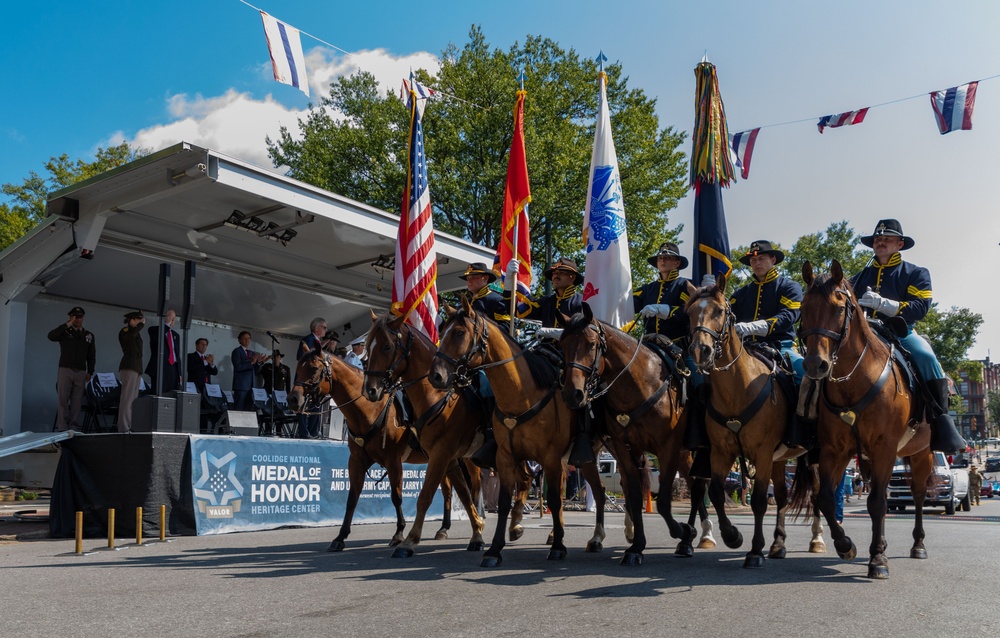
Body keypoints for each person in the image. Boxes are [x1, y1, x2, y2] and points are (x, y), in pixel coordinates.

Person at [850, 219, 965, 454]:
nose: (880, 242)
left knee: (925, 356)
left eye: (887, 239)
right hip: (864, 335)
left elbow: (920, 307)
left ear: (900, 244)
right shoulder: (859, 278)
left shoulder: (915, 273)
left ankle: (941, 420)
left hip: (899, 333)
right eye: (877, 239)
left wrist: (886, 305)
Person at [504, 257, 591, 464]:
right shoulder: (547, 301)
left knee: (583, 391)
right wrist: (509, 282)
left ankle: (585, 437)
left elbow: (585, 333)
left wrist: (559, 334)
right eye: (554, 272)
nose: (555, 275)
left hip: (570, 357)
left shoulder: (581, 303)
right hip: (543, 353)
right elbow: (517, 310)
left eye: (560, 272)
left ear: (572, 277)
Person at [730, 240, 811, 449]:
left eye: (761, 259)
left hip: (779, 347)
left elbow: (789, 316)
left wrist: (755, 327)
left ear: (773, 260)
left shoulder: (789, 286)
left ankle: (808, 435)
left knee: (806, 377)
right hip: (745, 350)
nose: (757, 263)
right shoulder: (739, 295)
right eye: (753, 260)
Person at [47, 306, 95, 432]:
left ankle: (73, 426)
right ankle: (62, 427)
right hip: (65, 369)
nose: (78, 319)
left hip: (80, 371)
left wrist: (90, 371)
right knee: (63, 398)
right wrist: (67, 324)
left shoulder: (88, 335)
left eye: (80, 317)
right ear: (70, 317)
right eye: (75, 317)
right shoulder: (65, 331)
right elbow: (51, 336)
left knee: (77, 400)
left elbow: (91, 356)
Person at [297, 318, 333, 438]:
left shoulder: (317, 341)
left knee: (315, 407)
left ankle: (313, 432)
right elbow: (301, 357)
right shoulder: (308, 339)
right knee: (304, 406)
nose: (326, 330)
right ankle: (304, 432)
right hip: (306, 379)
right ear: (316, 329)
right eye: (324, 327)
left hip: (315, 381)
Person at [461, 262, 510, 331]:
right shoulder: (465, 304)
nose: (469, 281)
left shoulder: (496, 301)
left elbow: (506, 328)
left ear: (485, 279)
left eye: (474, 277)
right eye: (468, 278)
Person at [117, 311, 145, 433]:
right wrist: (140, 326)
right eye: (138, 320)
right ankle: (123, 427)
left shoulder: (135, 333)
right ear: (131, 320)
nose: (141, 322)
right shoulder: (126, 331)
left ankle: (130, 426)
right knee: (127, 399)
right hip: (128, 366)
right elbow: (130, 336)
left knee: (133, 400)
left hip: (136, 367)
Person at [145, 309, 181, 394]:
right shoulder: (154, 330)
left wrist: (179, 373)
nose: (172, 320)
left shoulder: (176, 335)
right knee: (158, 393)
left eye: (174, 318)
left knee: (172, 394)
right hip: (160, 366)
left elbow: (177, 354)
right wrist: (166, 324)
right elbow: (157, 340)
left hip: (173, 368)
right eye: (170, 317)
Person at [231, 331, 265, 411]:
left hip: (252, 386)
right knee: (239, 409)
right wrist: (251, 362)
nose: (247, 340)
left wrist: (259, 363)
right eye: (245, 338)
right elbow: (238, 367)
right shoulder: (237, 351)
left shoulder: (252, 353)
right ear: (239, 340)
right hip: (241, 386)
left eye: (248, 338)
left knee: (249, 410)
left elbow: (256, 371)